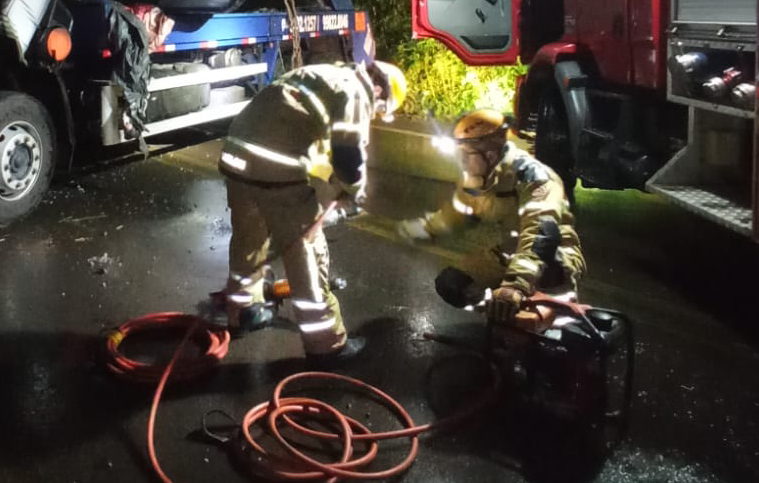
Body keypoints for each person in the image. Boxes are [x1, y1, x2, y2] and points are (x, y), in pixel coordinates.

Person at [219, 59, 407, 361]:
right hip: (275, 168)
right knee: (306, 252)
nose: (374, 114)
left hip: (235, 159)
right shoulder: (356, 92)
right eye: (380, 109)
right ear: (378, 90)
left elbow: (304, 134)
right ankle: (326, 345)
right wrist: (355, 192)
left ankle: (244, 311)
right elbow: (348, 155)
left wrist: (331, 183)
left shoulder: (323, 75)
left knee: (248, 240)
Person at [399, 108, 584, 320]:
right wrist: (427, 230)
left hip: (553, 256)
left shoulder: (535, 179)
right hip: (508, 254)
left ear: (490, 154)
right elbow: (458, 213)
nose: (462, 162)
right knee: (451, 283)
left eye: (466, 154)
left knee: (544, 293)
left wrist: (515, 286)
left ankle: (541, 317)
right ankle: (507, 318)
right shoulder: (476, 179)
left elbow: (541, 237)